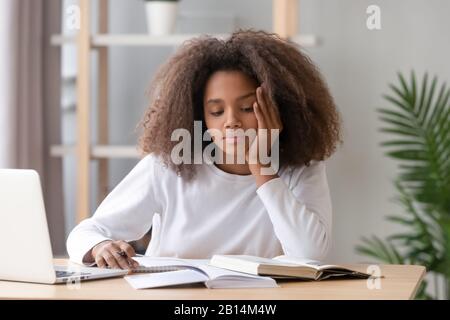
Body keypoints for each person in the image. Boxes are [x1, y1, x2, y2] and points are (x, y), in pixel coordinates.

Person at [66, 29, 341, 270]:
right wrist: (100, 246)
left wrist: (261, 167)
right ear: (201, 118)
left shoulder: (301, 169)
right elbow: (86, 232)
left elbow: (310, 255)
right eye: (217, 111)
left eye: (247, 108)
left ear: (278, 108)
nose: (231, 121)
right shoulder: (169, 165)